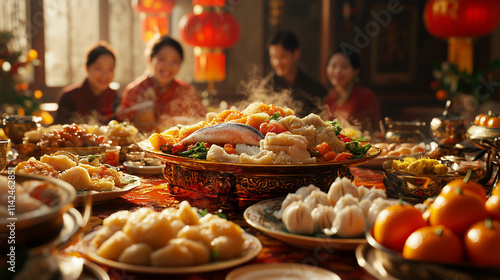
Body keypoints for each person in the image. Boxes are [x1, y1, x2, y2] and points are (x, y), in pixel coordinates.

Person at [119, 36, 206, 132]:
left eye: (175, 61)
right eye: (162, 59)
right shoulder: (134, 91)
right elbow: (123, 129)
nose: (168, 66)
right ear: (150, 59)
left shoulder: (186, 91)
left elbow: (202, 123)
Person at [259, 31, 327, 117]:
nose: (277, 62)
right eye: (273, 57)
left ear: (296, 53)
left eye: (283, 56)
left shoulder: (315, 88)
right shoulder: (267, 86)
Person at [54, 41, 118, 124]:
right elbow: (58, 130)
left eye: (110, 69)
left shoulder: (114, 97)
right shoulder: (69, 97)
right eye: (99, 68)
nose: (104, 75)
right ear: (87, 68)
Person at [323, 47, 381, 134]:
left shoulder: (365, 95)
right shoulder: (331, 97)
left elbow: (376, 128)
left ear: (355, 71)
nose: (337, 72)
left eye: (344, 67)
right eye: (333, 66)